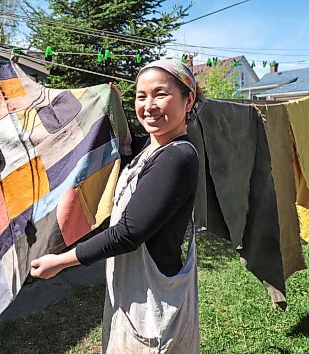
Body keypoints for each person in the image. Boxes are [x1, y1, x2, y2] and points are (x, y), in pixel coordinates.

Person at [30, 59, 205, 353]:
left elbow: (128, 233)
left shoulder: (177, 158)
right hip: (134, 293)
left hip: (154, 303)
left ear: (188, 101)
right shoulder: (150, 150)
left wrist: (60, 262)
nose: (149, 105)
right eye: (141, 96)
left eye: (161, 94)